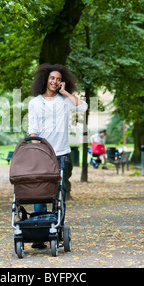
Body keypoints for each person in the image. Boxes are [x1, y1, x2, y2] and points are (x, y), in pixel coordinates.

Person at [28, 63, 88, 248]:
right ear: (45, 79)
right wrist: (37, 147)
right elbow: (33, 130)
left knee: (58, 194)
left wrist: (66, 93)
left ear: (63, 82)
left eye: (59, 79)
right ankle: (39, 234)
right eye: (52, 78)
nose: (55, 81)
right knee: (40, 193)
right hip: (42, 153)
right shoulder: (35, 103)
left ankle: (57, 230)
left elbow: (83, 108)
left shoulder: (64, 101)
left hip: (61, 153)